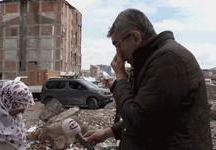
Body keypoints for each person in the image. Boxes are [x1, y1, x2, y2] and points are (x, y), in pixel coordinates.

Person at [84, 8, 213, 150]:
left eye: (118, 45)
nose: (118, 53)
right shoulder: (154, 60)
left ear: (135, 37)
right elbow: (151, 114)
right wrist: (108, 132)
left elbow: (138, 121)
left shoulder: (167, 60)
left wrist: (120, 77)